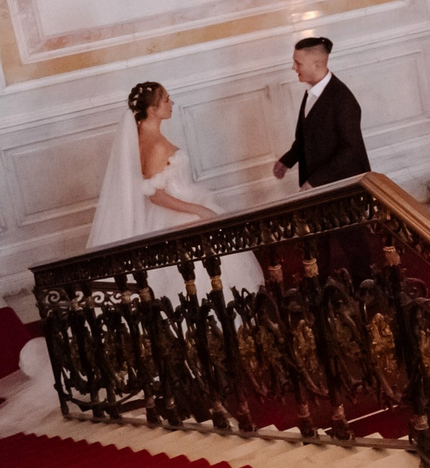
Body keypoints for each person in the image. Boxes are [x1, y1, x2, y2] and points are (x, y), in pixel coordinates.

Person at [86, 79, 265, 300]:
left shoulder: (141, 139)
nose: (172, 103)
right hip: (177, 213)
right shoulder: (156, 145)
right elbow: (156, 195)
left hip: (167, 212)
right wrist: (199, 210)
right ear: (153, 110)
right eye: (166, 100)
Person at [273, 36, 370, 188]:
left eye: (298, 63)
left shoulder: (343, 99)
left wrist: (315, 181)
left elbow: (350, 150)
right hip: (322, 185)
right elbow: (306, 137)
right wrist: (287, 161)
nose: (294, 67)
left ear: (316, 65)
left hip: (344, 187)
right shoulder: (311, 92)